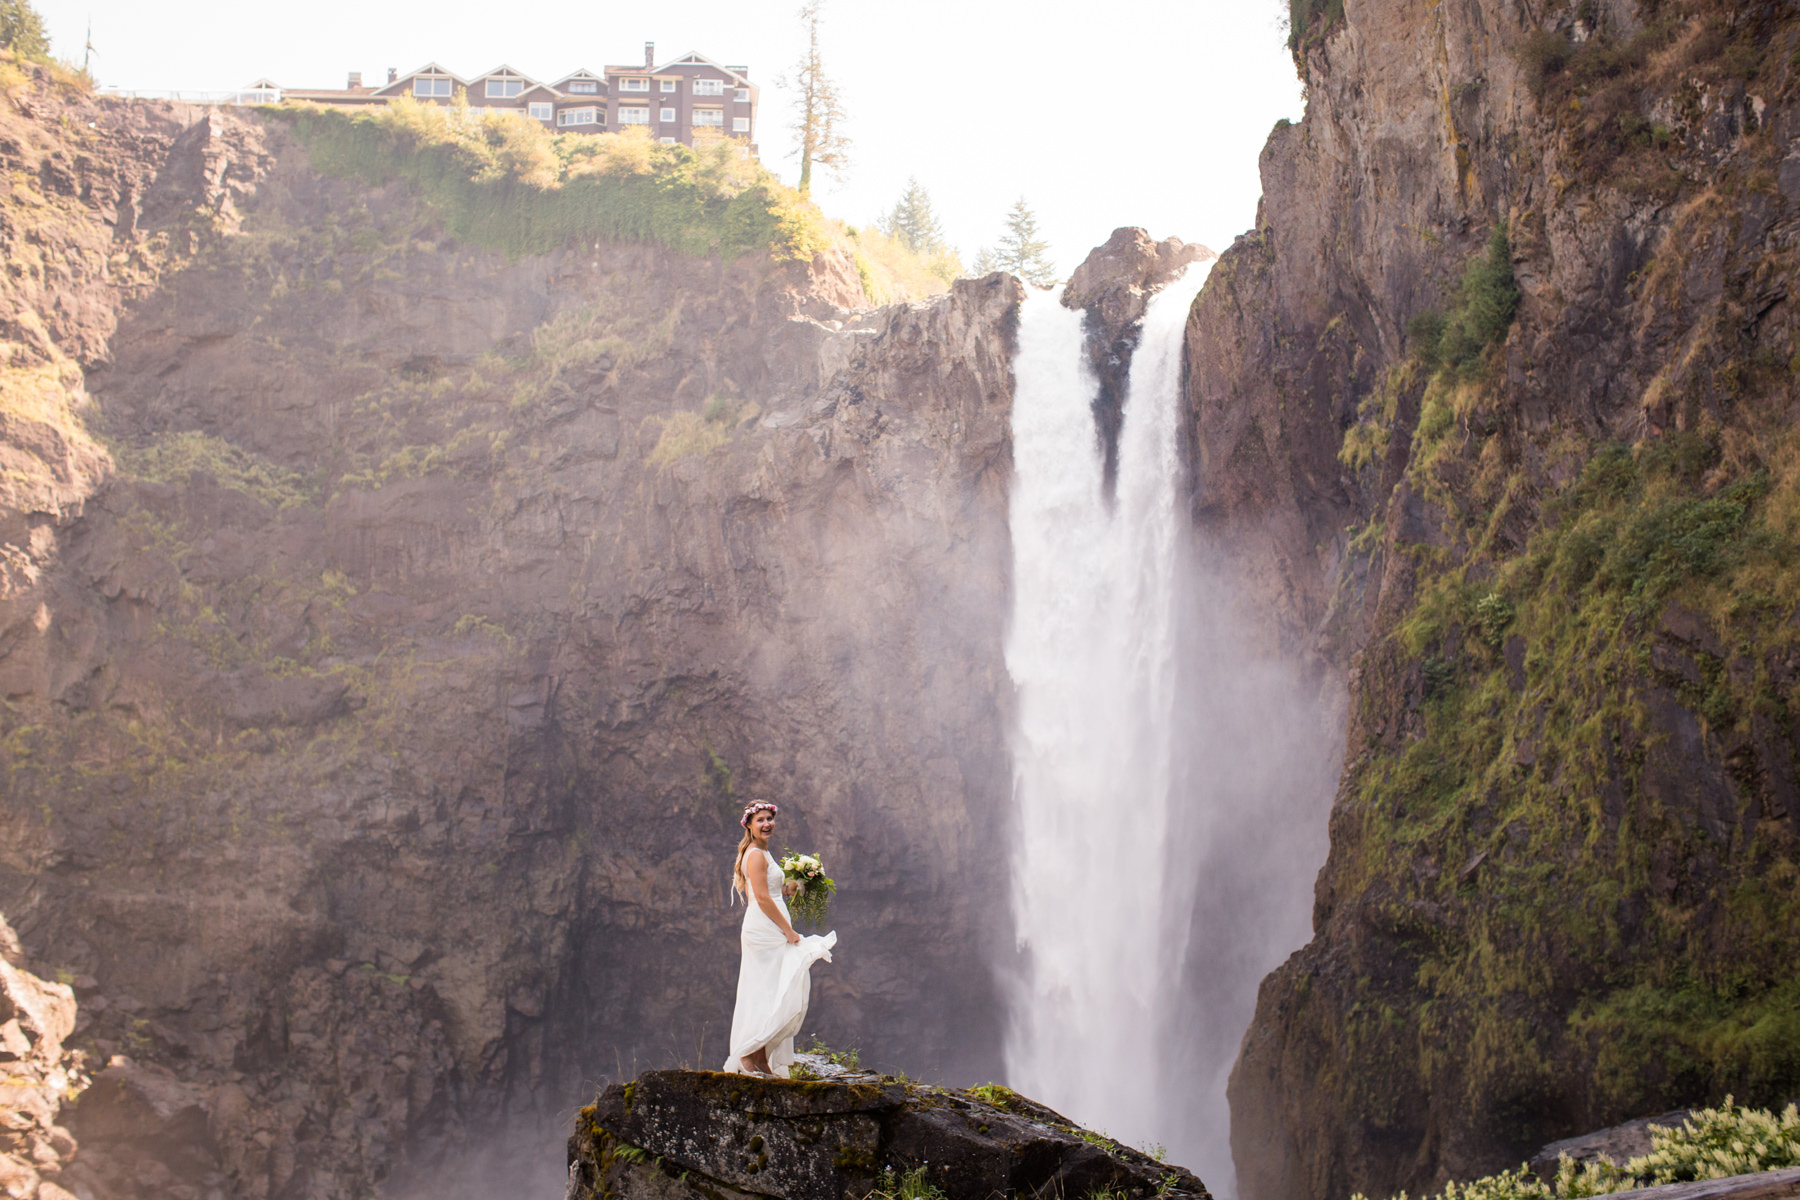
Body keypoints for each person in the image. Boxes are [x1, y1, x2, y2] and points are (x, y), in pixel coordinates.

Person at [723, 800, 836, 1077]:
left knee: (772, 988)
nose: (766, 824)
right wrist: (787, 930)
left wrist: (794, 886)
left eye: (770, 819)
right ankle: (748, 1055)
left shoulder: (763, 852)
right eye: (760, 820)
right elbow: (760, 897)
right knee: (767, 988)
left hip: (769, 923)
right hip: (764, 928)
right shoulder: (756, 854)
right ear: (749, 825)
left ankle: (762, 1056)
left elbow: (771, 890)